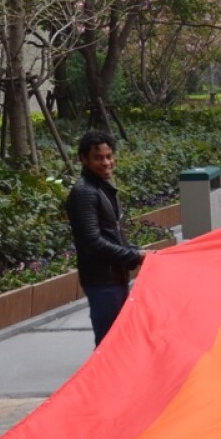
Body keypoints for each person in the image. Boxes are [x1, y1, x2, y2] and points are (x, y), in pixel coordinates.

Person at [65, 130, 150, 346]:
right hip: (102, 281)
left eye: (109, 156)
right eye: (98, 158)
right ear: (84, 159)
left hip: (115, 277)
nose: (106, 163)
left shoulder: (102, 188)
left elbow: (112, 236)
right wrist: (135, 256)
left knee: (120, 342)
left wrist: (134, 251)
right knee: (110, 345)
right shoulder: (84, 192)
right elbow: (92, 241)